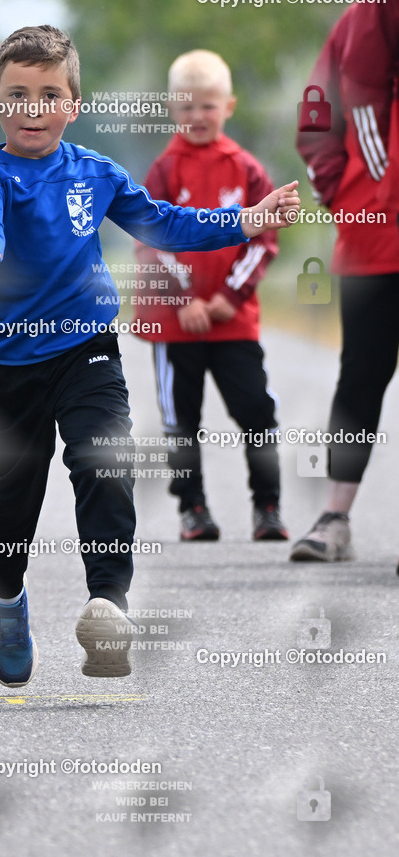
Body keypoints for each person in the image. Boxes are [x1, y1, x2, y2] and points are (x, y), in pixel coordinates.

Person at [0, 25, 299, 688]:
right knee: (12, 497)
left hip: (85, 346)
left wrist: (246, 220)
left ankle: (107, 606)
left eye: (48, 94)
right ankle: (3, 600)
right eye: (17, 95)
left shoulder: (96, 173)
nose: (33, 108)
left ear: (72, 105)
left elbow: (164, 221)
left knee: (103, 460)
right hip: (3, 365)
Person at [132, 50, 288, 543]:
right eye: (186, 107)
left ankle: (267, 507)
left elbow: (263, 239)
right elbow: (150, 237)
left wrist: (227, 297)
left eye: (208, 106)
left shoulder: (247, 170)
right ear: (172, 109)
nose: (197, 117)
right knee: (182, 417)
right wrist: (186, 299)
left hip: (232, 320)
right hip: (176, 323)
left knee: (256, 411)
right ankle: (193, 508)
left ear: (229, 106)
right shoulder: (163, 170)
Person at [291, 0, 399, 566]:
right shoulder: (357, 26)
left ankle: (333, 518)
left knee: (356, 373)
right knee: (359, 374)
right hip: (372, 238)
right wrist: (354, 196)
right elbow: (315, 119)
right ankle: (334, 518)